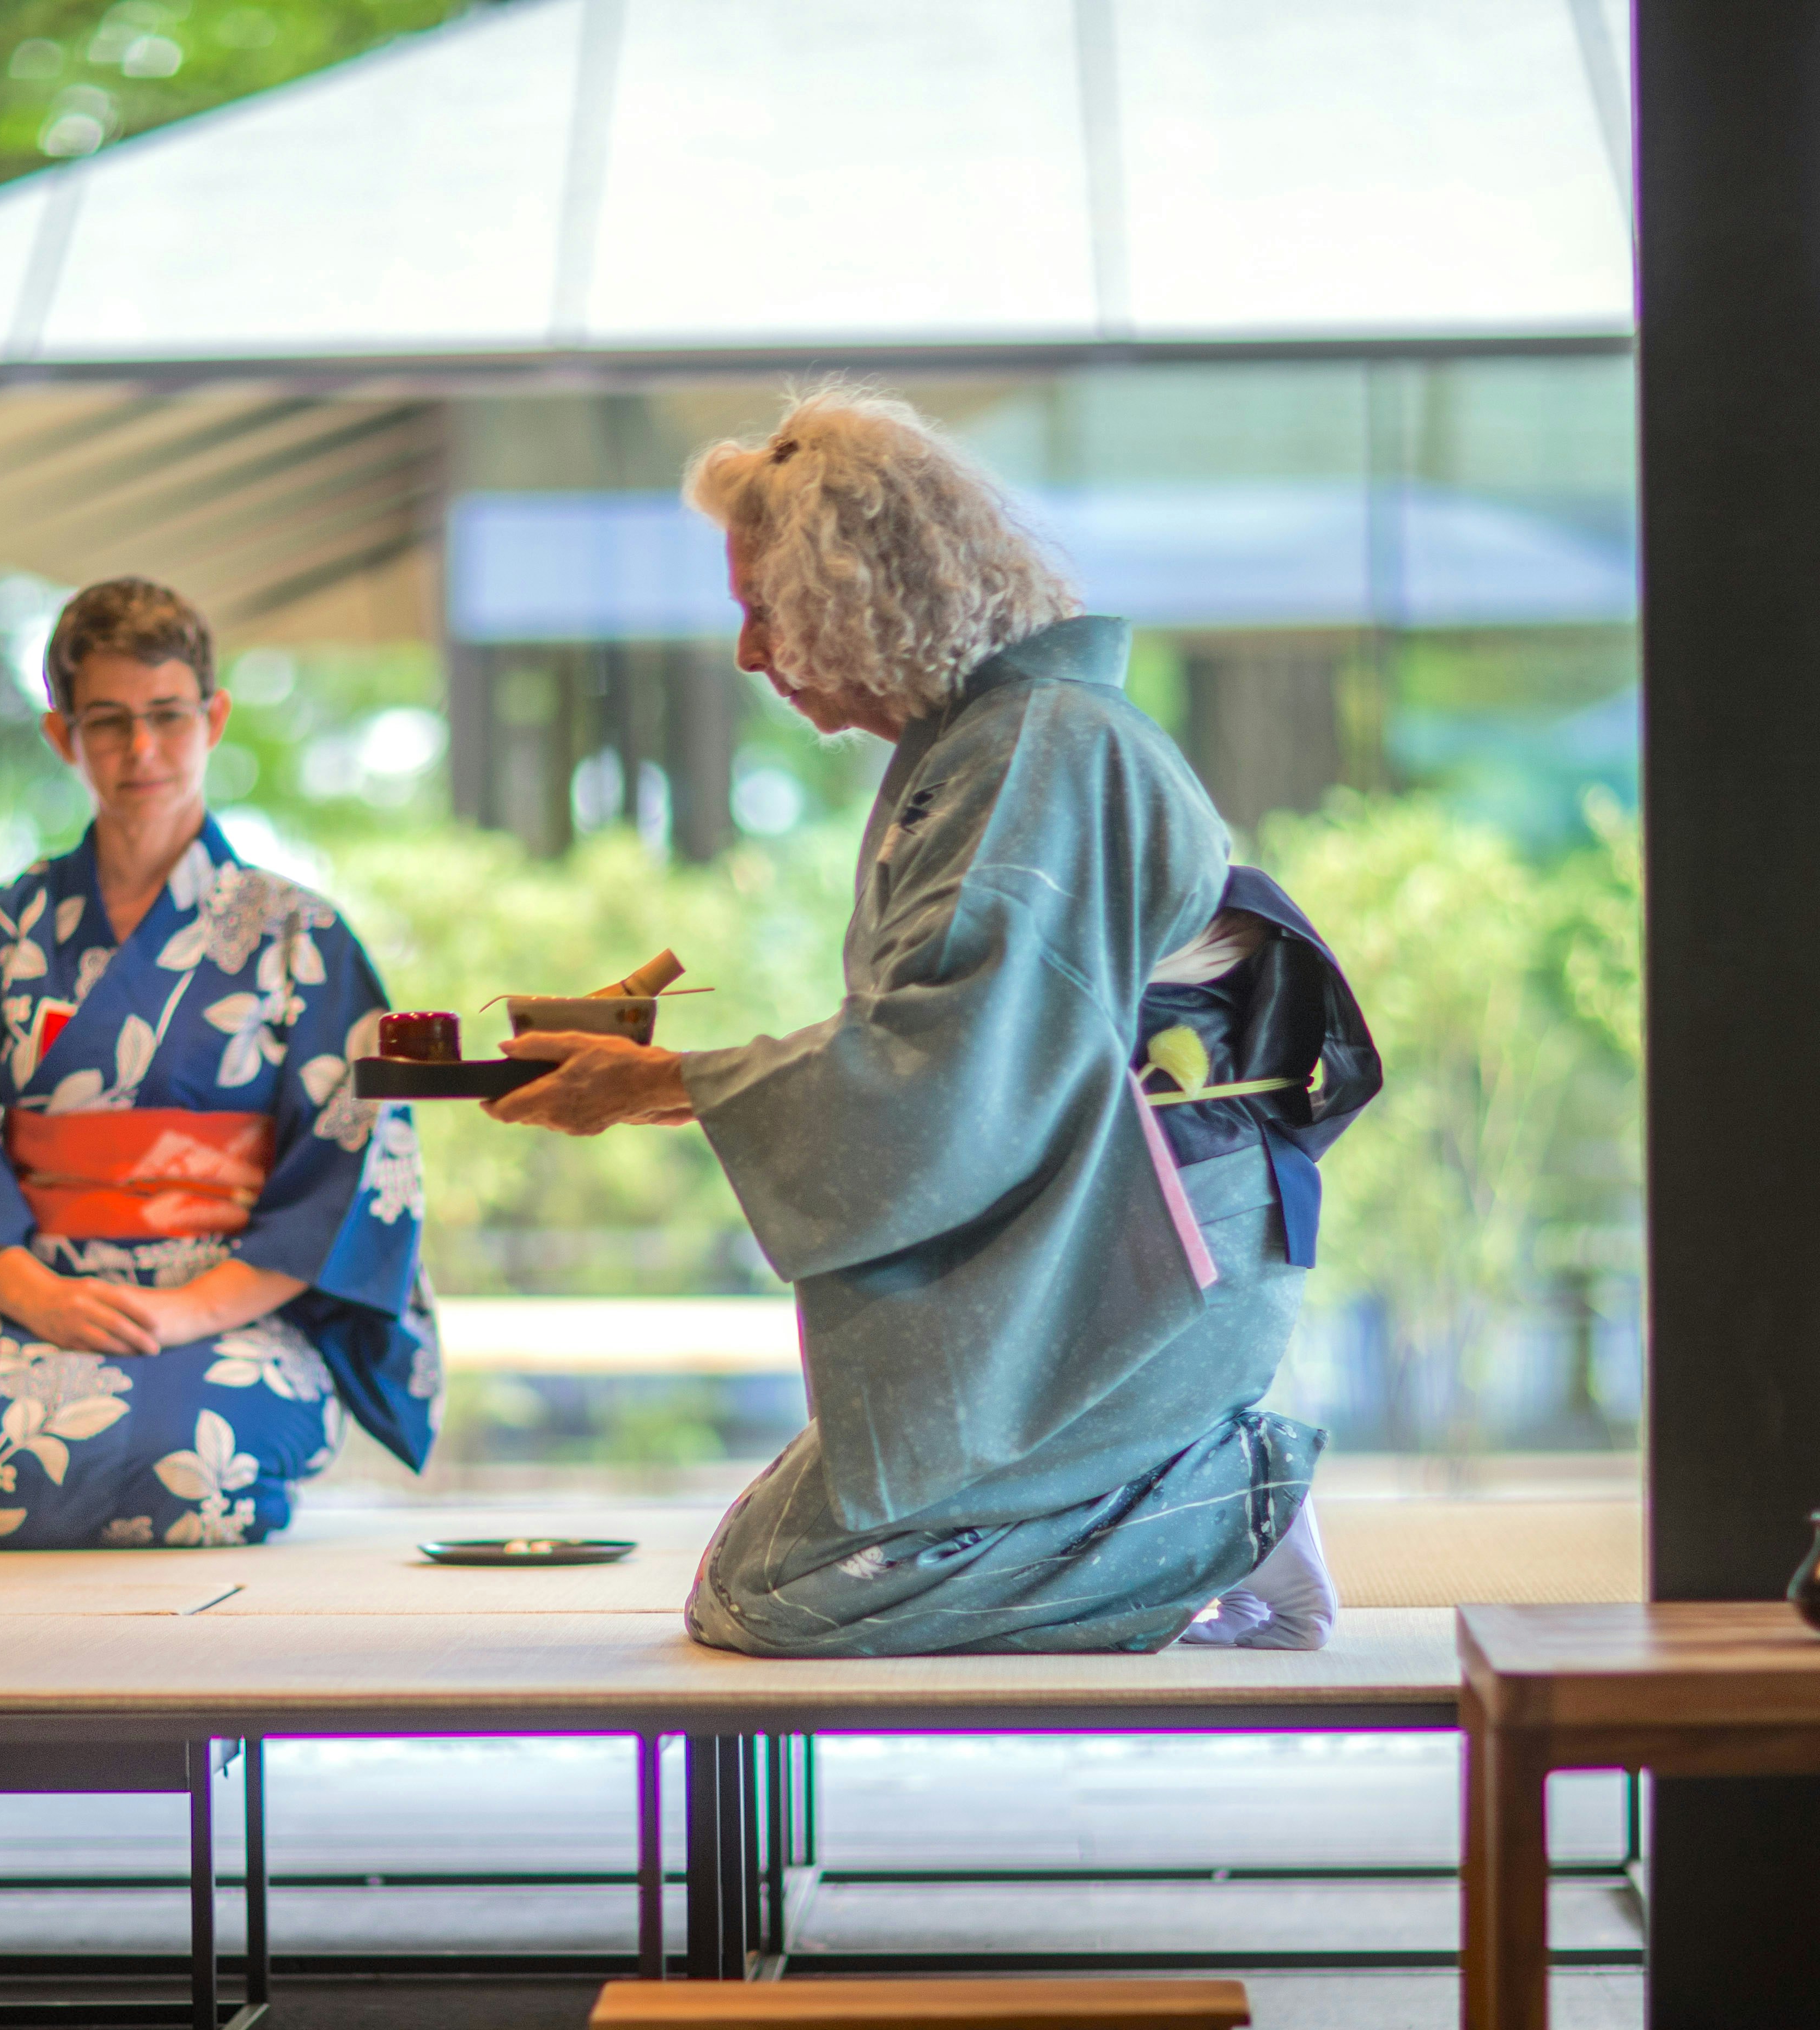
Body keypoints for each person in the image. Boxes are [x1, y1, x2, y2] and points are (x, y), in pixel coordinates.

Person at [490, 391, 1378, 1656]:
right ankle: (1162, 1496)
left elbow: (948, 1073)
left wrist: (656, 1082)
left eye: (763, 611)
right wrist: (663, 1079)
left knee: (791, 1597)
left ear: (860, 593)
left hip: (1135, 1268)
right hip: (1094, 1246)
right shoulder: (1004, 744)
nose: (748, 653)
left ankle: (1221, 1494)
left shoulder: (1043, 753)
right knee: (753, 1572)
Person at [0, 577, 437, 1546]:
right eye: (107, 721)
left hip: (236, 1304)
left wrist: (194, 1310)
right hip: (39, 1296)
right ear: (61, 735)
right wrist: (45, 1299)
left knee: (194, 1467)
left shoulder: (303, 940)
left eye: (168, 716)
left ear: (215, 717)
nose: (141, 751)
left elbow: (353, 1166)